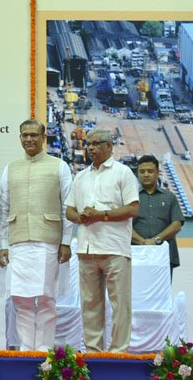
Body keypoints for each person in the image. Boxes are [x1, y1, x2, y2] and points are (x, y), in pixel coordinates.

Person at [0, 119, 73, 351]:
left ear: (43, 138)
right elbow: (3, 208)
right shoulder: (11, 168)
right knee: (21, 299)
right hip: (18, 242)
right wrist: (3, 244)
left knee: (47, 298)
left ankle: (44, 350)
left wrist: (66, 242)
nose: (29, 139)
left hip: (48, 242)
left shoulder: (59, 166)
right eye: (24, 135)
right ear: (20, 138)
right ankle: (27, 350)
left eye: (33, 135)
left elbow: (67, 207)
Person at [65, 128, 139, 353]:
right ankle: (93, 353)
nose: (91, 148)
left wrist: (102, 215)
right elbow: (69, 210)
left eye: (97, 144)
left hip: (115, 249)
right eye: (89, 144)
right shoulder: (80, 176)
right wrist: (80, 217)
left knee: (120, 306)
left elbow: (133, 208)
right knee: (89, 305)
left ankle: (119, 353)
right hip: (87, 249)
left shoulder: (122, 173)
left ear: (109, 146)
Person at [131, 154, 184, 281]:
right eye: (142, 171)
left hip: (164, 254)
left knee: (163, 296)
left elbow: (177, 224)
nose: (146, 175)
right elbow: (124, 226)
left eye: (150, 171)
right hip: (136, 255)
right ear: (137, 173)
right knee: (136, 294)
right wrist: (144, 243)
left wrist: (156, 240)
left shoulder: (169, 197)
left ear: (157, 172)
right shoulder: (130, 198)